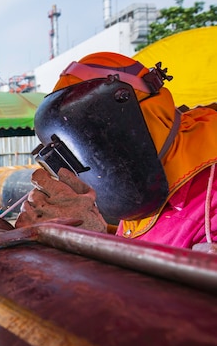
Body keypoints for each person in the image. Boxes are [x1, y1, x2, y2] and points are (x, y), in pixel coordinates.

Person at [15, 51, 217, 251]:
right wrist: (89, 230)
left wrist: (93, 245)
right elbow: (141, 244)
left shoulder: (210, 197)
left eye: (97, 133)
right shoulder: (148, 183)